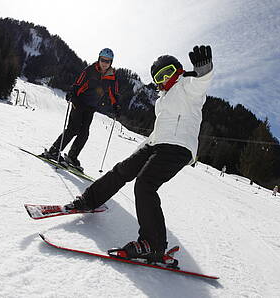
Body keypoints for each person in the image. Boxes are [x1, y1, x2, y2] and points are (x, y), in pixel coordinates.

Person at [64, 45, 213, 262]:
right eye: (159, 77)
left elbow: (201, 84)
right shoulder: (162, 99)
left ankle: (153, 245)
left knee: (145, 184)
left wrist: (205, 71)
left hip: (178, 146)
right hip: (156, 143)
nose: (164, 79)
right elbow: (160, 129)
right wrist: (141, 149)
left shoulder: (187, 86)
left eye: (167, 72)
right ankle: (89, 199)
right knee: (121, 170)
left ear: (178, 70)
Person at [41, 48, 120, 171]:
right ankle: (54, 151)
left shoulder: (112, 77)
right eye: (103, 60)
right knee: (73, 128)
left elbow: (113, 93)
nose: (105, 63)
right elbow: (78, 83)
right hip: (79, 102)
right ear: (99, 59)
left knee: (84, 133)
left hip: (91, 107)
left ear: (111, 62)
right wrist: (72, 93)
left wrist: (116, 106)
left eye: (108, 61)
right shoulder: (90, 70)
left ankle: (72, 156)